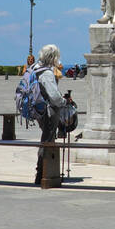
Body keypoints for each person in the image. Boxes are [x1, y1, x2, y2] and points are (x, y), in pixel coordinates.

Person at [33, 44, 66, 185]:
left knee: (45, 139)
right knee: (47, 140)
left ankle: (42, 171)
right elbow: (55, 97)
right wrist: (64, 101)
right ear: (53, 57)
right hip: (49, 112)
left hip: (39, 110)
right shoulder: (46, 73)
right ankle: (43, 173)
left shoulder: (35, 68)